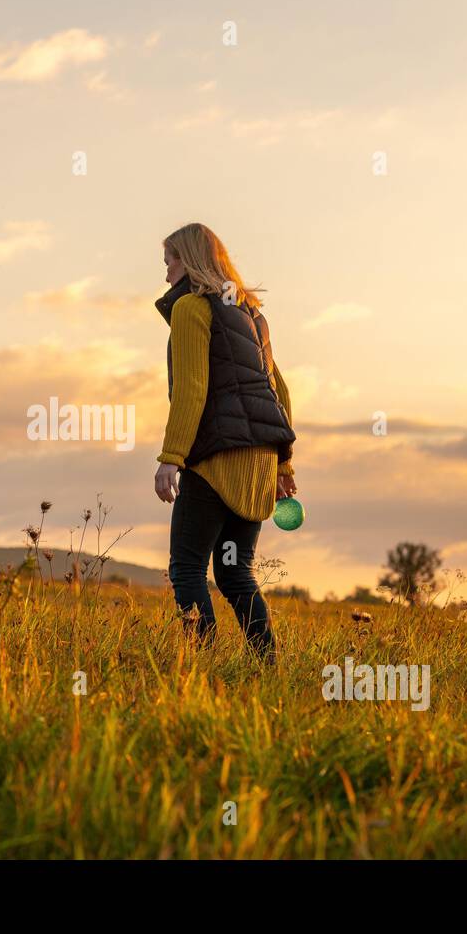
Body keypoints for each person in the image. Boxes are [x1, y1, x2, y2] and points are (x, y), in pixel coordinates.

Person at [153, 222, 297, 661]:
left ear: (189, 259)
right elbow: (280, 392)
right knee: (236, 572)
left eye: (170, 262)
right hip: (258, 462)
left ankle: (204, 664)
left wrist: (171, 458)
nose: (166, 275)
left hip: (215, 460)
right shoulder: (253, 315)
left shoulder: (192, 309)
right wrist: (283, 466)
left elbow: (193, 388)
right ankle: (267, 665)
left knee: (187, 567)